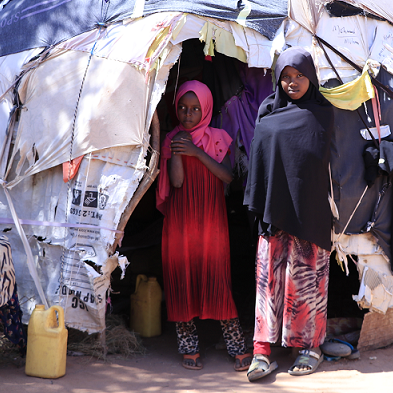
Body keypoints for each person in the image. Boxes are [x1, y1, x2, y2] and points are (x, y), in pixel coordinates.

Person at [244, 47, 334, 381]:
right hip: (274, 210)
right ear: (277, 78)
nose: (292, 83)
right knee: (268, 282)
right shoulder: (267, 112)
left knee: (306, 283)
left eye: (299, 76)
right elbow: (259, 162)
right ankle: (262, 351)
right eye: (286, 76)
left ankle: (309, 347)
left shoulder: (324, 114)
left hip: (310, 214)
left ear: (311, 77)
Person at [156, 80, 252, 371]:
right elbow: (176, 182)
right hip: (181, 221)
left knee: (217, 278)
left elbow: (227, 177)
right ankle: (190, 348)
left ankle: (236, 346)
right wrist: (178, 150)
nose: (188, 114)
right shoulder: (172, 139)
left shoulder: (219, 137)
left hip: (211, 219)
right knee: (182, 277)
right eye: (183, 109)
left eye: (195, 108)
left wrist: (196, 152)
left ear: (206, 109)